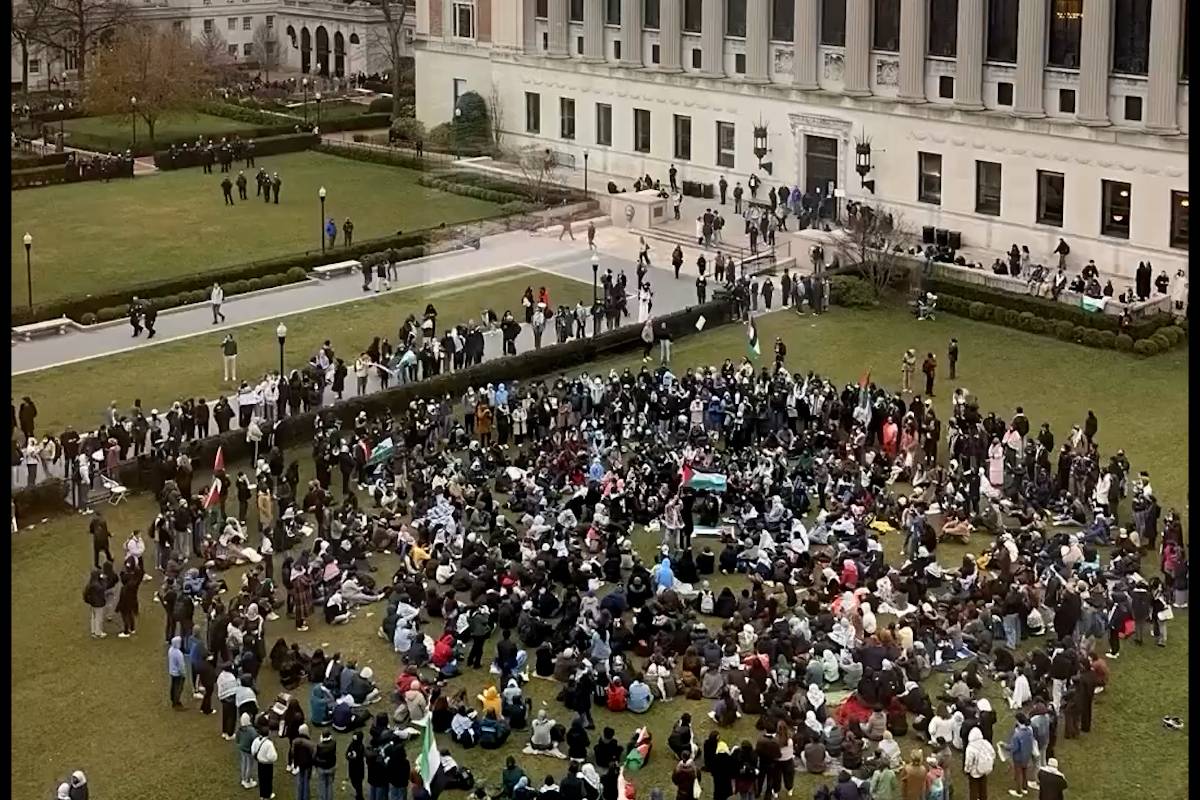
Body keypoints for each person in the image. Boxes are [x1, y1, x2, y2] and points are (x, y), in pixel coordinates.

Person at [252, 722, 280, 800]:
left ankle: (262, 794)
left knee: (261, 779)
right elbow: (272, 756)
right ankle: (267, 795)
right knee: (268, 780)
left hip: (260, 763)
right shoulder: (269, 743)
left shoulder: (256, 740)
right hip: (267, 764)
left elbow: (253, 750)